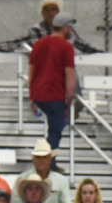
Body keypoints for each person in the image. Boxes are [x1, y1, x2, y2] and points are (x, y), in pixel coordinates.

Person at [0, 0, 103, 56]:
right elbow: (14, 44)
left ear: (58, 12)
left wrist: (100, 53)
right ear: (42, 13)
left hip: (63, 69)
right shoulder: (35, 31)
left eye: (53, 9)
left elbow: (81, 44)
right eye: (47, 10)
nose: (50, 13)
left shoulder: (68, 31)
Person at [28, 12, 77, 149]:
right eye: (70, 27)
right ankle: (48, 162)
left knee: (53, 130)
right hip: (55, 95)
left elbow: (31, 72)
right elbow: (70, 76)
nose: (71, 30)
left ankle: (49, 161)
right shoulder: (66, 47)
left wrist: (32, 95)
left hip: (39, 93)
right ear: (64, 28)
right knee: (55, 132)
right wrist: (70, 99)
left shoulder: (38, 44)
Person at [12, 139, 71, 203]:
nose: (41, 160)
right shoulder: (22, 179)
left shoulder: (62, 181)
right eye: (38, 157)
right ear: (33, 159)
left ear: (50, 159)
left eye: (44, 157)